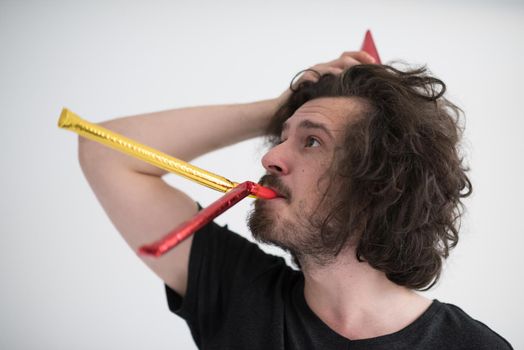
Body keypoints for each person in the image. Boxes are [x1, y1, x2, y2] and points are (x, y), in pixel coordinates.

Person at [78, 51, 512, 349]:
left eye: (311, 142)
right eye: (281, 136)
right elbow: (103, 151)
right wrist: (279, 107)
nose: (269, 157)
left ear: (379, 182)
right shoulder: (238, 294)